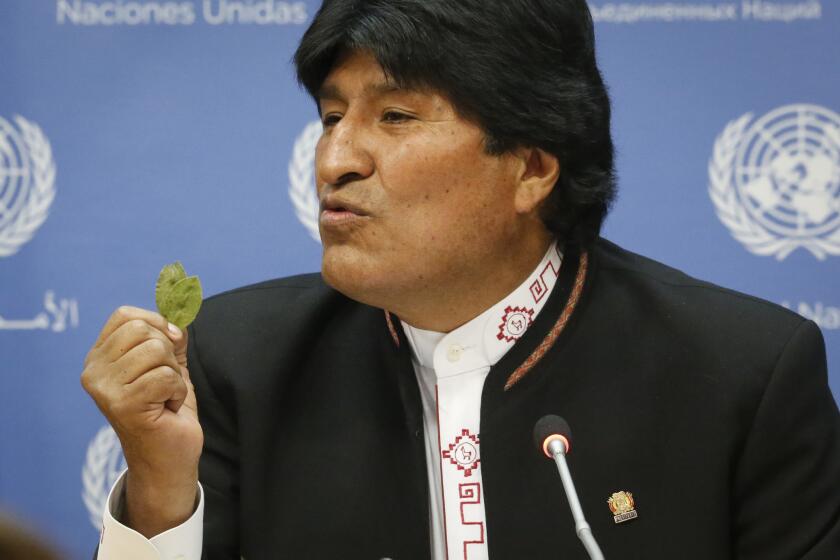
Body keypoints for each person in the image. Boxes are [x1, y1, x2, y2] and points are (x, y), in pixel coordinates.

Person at [81, 1, 840, 558]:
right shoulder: (239, 360)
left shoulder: (742, 371)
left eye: (397, 116)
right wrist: (160, 488)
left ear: (532, 167)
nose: (333, 159)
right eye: (331, 115)